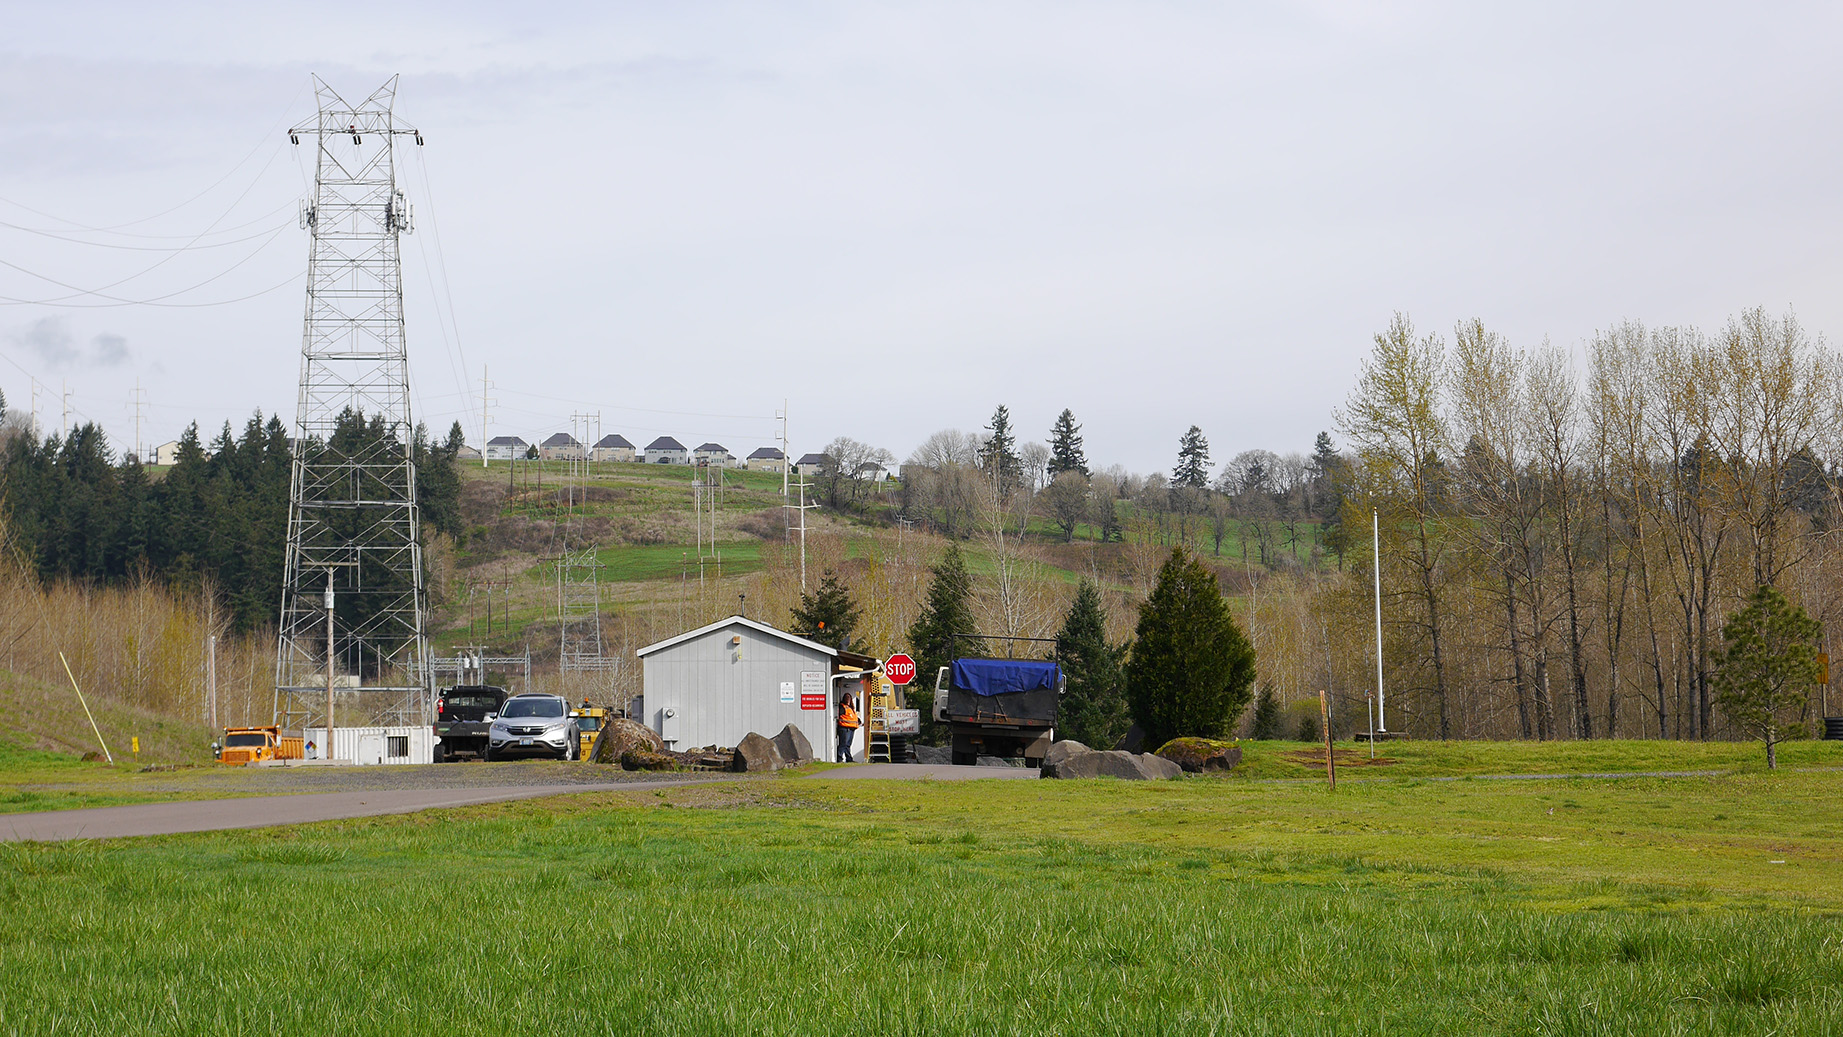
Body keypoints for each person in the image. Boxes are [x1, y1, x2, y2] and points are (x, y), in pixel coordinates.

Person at [836, 692, 860, 763]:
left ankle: (849, 758)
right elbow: (841, 716)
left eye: (849, 697)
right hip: (844, 728)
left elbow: (851, 717)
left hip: (851, 728)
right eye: (846, 698)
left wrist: (858, 720)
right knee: (843, 744)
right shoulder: (842, 707)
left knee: (848, 745)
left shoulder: (851, 708)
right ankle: (839, 758)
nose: (848, 699)